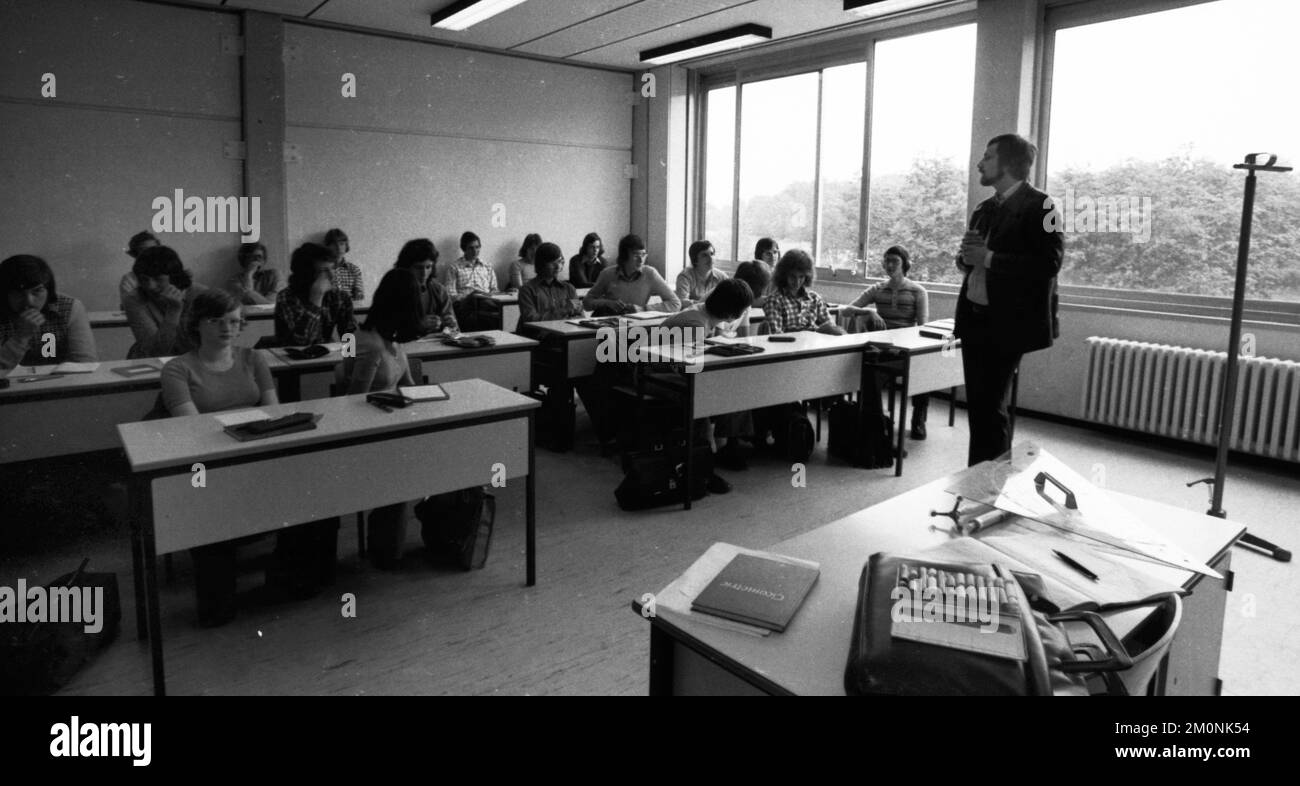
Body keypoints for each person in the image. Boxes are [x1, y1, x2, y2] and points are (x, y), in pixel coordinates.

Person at [160, 289, 336, 625]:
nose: (227, 328)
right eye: (216, 321)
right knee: (215, 507)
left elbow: (273, 413)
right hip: (209, 463)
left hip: (255, 449)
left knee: (314, 489)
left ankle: (290, 576)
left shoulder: (253, 358)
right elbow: (192, 429)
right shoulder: (177, 369)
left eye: (234, 321)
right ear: (196, 324)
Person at [954, 133, 1063, 466]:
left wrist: (987, 258)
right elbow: (971, 262)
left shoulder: (1043, 206)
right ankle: (980, 478)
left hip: (1007, 324)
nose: (979, 164)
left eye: (988, 157)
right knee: (980, 407)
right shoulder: (984, 208)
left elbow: (1049, 263)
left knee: (990, 408)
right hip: (974, 318)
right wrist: (966, 259)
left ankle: (991, 483)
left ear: (1009, 163)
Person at [344, 269, 420, 569]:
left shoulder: (393, 340)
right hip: (369, 431)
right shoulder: (369, 343)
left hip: (393, 422)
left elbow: (409, 385)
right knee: (409, 464)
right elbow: (352, 401)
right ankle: (387, 549)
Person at [661, 278, 757, 478]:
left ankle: (726, 444)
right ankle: (704, 459)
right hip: (658, 375)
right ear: (732, 313)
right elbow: (688, 368)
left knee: (735, 385)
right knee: (706, 392)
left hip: (675, 372)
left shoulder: (704, 315)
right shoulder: (696, 323)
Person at [839, 245, 931, 439]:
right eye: (887, 261)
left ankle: (918, 418)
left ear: (905, 264)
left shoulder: (918, 291)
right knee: (869, 369)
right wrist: (868, 311)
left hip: (905, 348)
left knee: (926, 365)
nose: (890, 265)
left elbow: (922, 327)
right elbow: (846, 311)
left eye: (895, 261)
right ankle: (876, 421)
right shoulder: (878, 289)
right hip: (882, 348)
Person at [0, 255, 97, 372]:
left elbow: (85, 363)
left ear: (49, 290)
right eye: (18, 293)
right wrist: (21, 336)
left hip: (60, 381)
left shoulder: (69, 307)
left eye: (37, 291)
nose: (29, 301)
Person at [123, 245, 209, 358]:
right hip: (152, 361)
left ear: (174, 277)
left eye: (158, 279)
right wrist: (173, 312)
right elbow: (155, 352)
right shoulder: (134, 298)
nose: (150, 286)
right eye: (144, 279)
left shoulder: (202, 295)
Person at [275, 242, 358, 346]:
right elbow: (302, 342)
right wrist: (317, 297)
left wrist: (351, 354)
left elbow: (350, 336)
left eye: (332, 268)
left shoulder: (339, 296)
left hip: (325, 354)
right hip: (290, 354)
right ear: (307, 274)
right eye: (324, 270)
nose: (332, 275)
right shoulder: (287, 297)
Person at [583, 234, 681, 314]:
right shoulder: (607, 274)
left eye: (643, 255)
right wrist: (607, 303)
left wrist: (643, 309)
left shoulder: (650, 273)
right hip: (611, 325)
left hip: (637, 326)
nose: (641, 260)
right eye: (636, 255)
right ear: (624, 256)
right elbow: (586, 303)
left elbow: (675, 304)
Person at [762, 249, 844, 335]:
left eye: (801, 277)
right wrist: (814, 332)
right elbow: (776, 335)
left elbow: (831, 327)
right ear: (784, 275)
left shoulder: (814, 299)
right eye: (793, 276)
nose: (797, 282)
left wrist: (826, 329)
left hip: (814, 342)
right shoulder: (774, 301)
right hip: (790, 343)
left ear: (807, 276)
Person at [393, 238, 458, 336]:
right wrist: (417, 325)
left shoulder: (439, 290)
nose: (424, 274)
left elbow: (454, 331)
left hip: (435, 343)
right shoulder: (393, 290)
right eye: (418, 267)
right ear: (406, 267)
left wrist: (450, 324)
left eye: (428, 267)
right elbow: (385, 331)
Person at [442, 231, 501, 330]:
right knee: (476, 299)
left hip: (486, 301)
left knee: (493, 305)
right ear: (464, 249)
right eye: (471, 248)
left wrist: (502, 294)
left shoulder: (487, 266)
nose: (475, 251)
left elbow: (494, 289)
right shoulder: (455, 267)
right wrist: (470, 296)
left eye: (477, 247)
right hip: (465, 304)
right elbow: (450, 295)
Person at [518, 242, 582, 324]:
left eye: (559, 261)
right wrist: (564, 311)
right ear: (541, 264)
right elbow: (531, 320)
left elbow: (580, 316)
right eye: (552, 263)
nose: (558, 266)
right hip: (538, 332)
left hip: (565, 330)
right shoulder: (527, 290)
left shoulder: (569, 288)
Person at [675, 240, 729, 306]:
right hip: (692, 311)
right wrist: (707, 304)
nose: (711, 258)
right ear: (695, 260)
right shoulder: (685, 276)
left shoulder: (722, 277)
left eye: (712, 254)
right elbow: (682, 302)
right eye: (704, 255)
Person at [118, 231, 160, 311]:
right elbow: (131, 306)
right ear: (135, 255)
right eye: (144, 251)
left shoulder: (173, 274)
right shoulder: (129, 280)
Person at [733, 237, 779, 306]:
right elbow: (743, 299)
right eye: (768, 253)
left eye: (775, 252)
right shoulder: (751, 271)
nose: (773, 256)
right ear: (759, 254)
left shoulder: (781, 275)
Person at [324, 228, 364, 302]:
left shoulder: (354, 269)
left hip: (348, 306)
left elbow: (359, 295)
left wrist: (358, 292)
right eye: (334, 244)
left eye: (342, 244)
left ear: (346, 246)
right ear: (327, 246)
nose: (338, 248)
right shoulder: (322, 268)